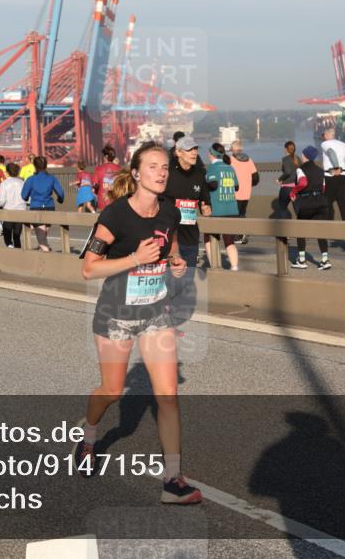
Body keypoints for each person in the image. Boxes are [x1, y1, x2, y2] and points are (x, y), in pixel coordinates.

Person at [75, 141, 201, 505]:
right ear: (136, 174)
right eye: (154, 167)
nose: (162, 173)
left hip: (155, 313)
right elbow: (88, 269)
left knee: (168, 396)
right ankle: (90, 436)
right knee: (111, 392)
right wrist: (133, 258)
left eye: (165, 167)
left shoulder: (170, 212)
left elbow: (170, 245)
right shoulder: (114, 216)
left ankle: (172, 480)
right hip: (116, 316)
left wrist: (175, 260)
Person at [164, 136, 211, 267]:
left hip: (190, 236)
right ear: (178, 152)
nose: (194, 152)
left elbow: (205, 199)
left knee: (188, 279)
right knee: (170, 281)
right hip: (170, 237)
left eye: (195, 149)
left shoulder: (199, 173)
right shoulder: (167, 172)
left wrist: (206, 208)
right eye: (189, 149)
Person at [288, 146, 331, 270]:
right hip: (321, 203)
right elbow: (323, 187)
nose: (301, 156)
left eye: (302, 154)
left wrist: (293, 192)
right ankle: (325, 259)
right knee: (321, 231)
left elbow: (302, 183)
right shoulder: (320, 170)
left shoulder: (300, 169)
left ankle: (301, 260)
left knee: (301, 230)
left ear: (305, 156)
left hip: (307, 203)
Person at [204, 142, 241, 271]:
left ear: (211, 154)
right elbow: (236, 187)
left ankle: (214, 266)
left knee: (209, 239)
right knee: (229, 241)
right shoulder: (230, 168)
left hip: (216, 210)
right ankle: (234, 267)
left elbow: (212, 185)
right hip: (232, 209)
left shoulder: (212, 168)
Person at [20, 156, 64, 251]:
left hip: (36, 208)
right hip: (49, 208)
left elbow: (24, 196)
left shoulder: (31, 179)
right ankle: (42, 250)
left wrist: (28, 197)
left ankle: (47, 259)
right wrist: (60, 199)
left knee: (42, 239)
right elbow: (60, 193)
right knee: (43, 237)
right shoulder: (52, 178)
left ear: (34, 166)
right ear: (46, 165)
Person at [320, 127, 345, 221]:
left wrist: (336, 168)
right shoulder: (343, 144)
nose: (323, 137)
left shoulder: (325, 143)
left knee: (328, 202)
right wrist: (343, 170)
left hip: (330, 176)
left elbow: (331, 152)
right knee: (343, 201)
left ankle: (327, 227)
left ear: (327, 135)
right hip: (342, 177)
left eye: (324, 135)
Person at [229, 140, 259, 244]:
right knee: (242, 212)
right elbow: (256, 177)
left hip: (234, 191)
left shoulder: (230, 160)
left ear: (233, 149)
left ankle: (238, 236)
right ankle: (242, 233)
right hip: (246, 192)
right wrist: (248, 184)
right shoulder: (249, 159)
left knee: (234, 214)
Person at [0, 162, 26, 248]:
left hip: (8, 211)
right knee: (17, 234)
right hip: (21, 210)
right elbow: (27, 198)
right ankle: (18, 252)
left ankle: (10, 247)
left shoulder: (4, 183)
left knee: (7, 233)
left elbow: (1, 201)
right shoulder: (22, 183)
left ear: (7, 172)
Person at [92, 144, 122, 211]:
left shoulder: (98, 169)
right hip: (116, 204)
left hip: (102, 204)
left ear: (106, 156)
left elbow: (94, 187)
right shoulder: (120, 169)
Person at [275, 140, 300, 219]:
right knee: (297, 209)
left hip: (287, 188)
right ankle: (302, 226)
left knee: (282, 208)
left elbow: (288, 172)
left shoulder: (285, 159)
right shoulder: (298, 158)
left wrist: (279, 179)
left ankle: (285, 227)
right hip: (296, 187)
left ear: (286, 149)